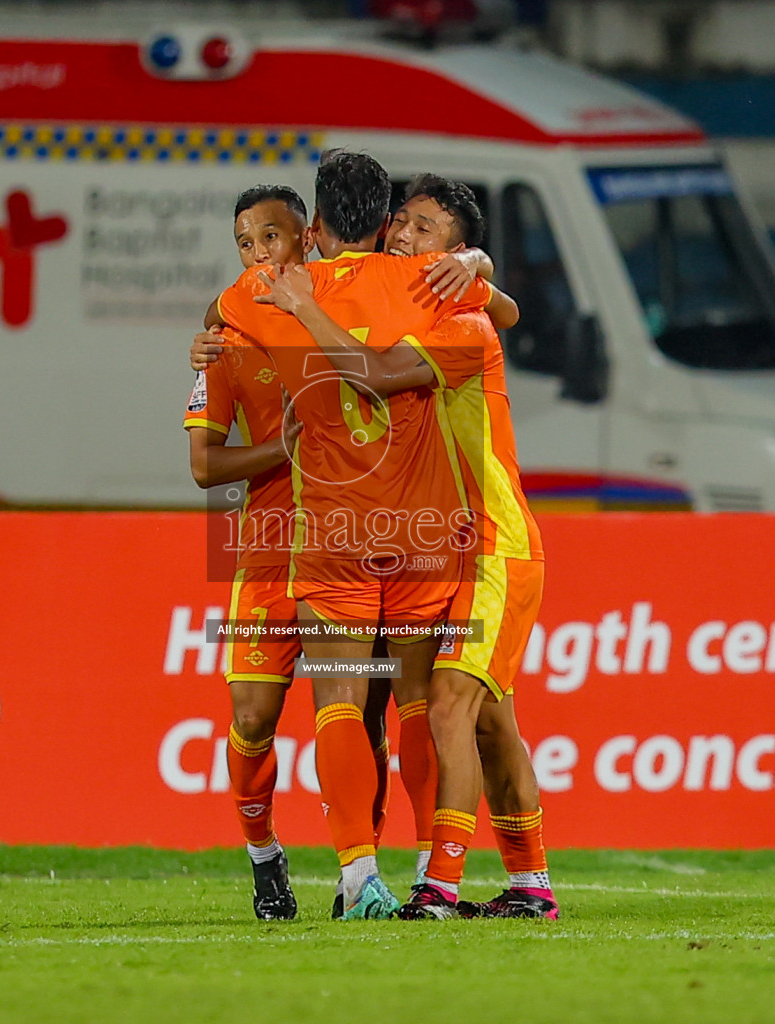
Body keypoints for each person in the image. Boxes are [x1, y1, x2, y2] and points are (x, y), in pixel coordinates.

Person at [259, 173, 558, 920]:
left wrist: (301, 304)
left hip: (497, 545)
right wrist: (481, 267)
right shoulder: (431, 302)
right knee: (492, 721)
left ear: (453, 251)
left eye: (425, 229)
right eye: (403, 222)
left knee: (451, 707)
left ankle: (438, 887)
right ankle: (530, 885)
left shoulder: (462, 324)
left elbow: (370, 375)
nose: (403, 235)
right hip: (452, 545)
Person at [211, 151, 498, 919]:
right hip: (422, 530)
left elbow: (217, 318)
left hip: (331, 529)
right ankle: (429, 878)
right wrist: (472, 259)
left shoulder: (264, 290)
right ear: (385, 222)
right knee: (413, 704)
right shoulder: (435, 282)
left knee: (337, 701)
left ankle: (355, 878)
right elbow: (500, 316)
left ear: (313, 226)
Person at [185, 184, 391, 920]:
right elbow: (205, 467)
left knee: (361, 717)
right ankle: (264, 858)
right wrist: (282, 448)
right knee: (252, 717)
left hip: (348, 540)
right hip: (270, 549)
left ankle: (356, 875)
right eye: (244, 242)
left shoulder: (344, 305)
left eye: (269, 238)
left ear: (306, 238)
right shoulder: (226, 338)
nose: (256, 254)